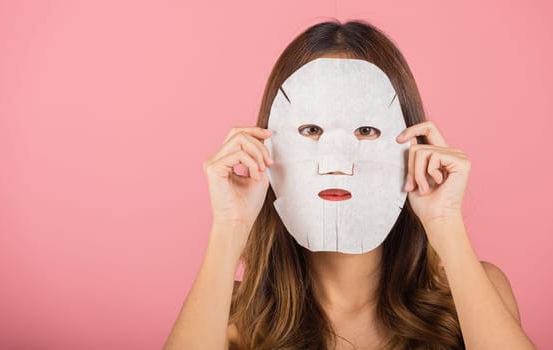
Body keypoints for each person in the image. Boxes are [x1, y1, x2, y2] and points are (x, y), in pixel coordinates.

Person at [163, 20, 536, 350]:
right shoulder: (228, 317)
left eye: (366, 130)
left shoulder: (470, 294)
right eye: (310, 130)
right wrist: (230, 226)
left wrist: (445, 223)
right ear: (268, 145)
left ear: (412, 144)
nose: (337, 164)